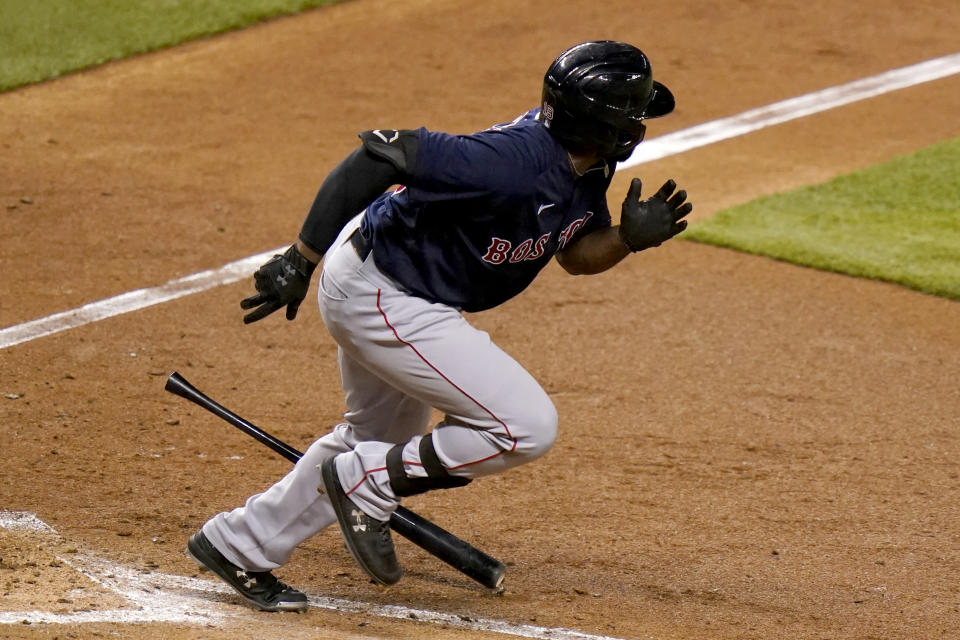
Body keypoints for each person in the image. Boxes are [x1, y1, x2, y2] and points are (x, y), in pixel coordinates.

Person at [186, 40, 692, 612]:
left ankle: (238, 543)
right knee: (522, 426)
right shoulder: (512, 161)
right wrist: (300, 256)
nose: (641, 122)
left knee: (373, 443)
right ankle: (367, 482)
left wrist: (625, 238)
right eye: (636, 111)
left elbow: (574, 253)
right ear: (608, 122)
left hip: (396, 287)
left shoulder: (588, 163)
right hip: (383, 293)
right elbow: (381, 154)